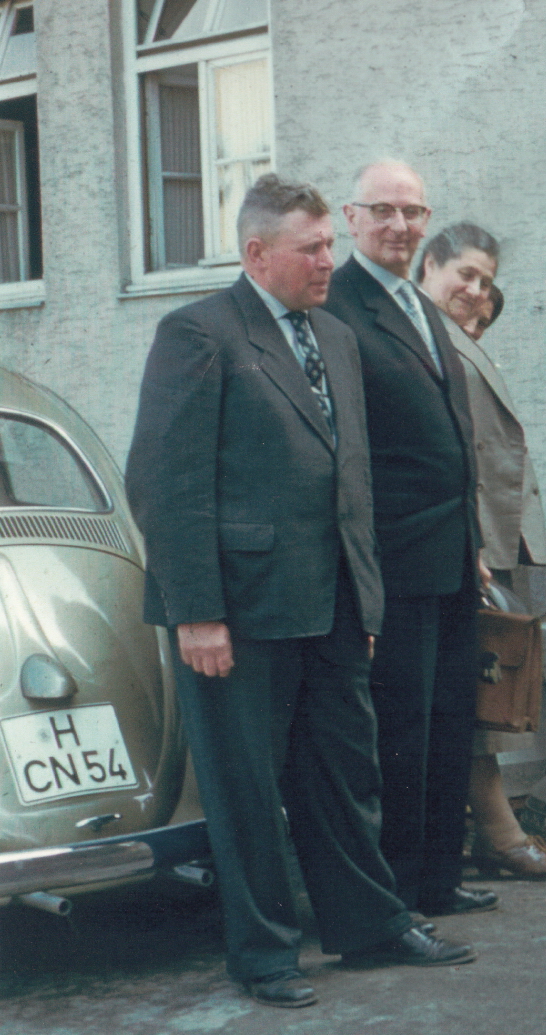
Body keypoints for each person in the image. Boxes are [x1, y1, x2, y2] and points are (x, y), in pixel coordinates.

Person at [126, 174, 473, 1009]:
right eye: (310, 248)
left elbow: (347, 478)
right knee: (245, 788)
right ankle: (264, 956)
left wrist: (367, 601)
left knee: (344, 777)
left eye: (328, 245)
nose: (328, 261)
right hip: (237, 615)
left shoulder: (336, 338)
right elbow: (165, 484)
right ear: (256, 253)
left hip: (334, 608)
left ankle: (368, 926)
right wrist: (197, 612)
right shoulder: (198, 333)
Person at [324, 160, 493, 918]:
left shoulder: (422, 306)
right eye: (384, 211)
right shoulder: (339, 306)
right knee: (399, 732)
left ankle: (437, 881)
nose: (400, 225)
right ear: (351, 218)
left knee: (450, 724)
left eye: (413, 211)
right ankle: (394, 895)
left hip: (451, 555)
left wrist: (475, 542)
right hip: (390, 562)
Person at [419, 223, 546, 882]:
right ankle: (497, 830)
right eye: (465, 275)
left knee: (477, 692)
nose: (476, 291)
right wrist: (472, 542)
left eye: (485, 281)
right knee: (473, 695)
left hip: (486, 538)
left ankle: (472, 828)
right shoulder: (422, 334)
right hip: (465, 540)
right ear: (431, 266)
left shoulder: (455, 337)